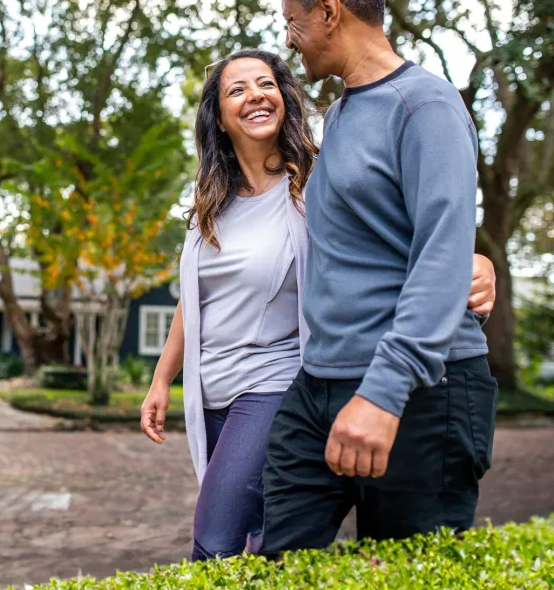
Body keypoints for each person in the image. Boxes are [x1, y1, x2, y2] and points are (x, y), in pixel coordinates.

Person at [139, 47, 497, 559]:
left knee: (215, 540)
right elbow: (194, 301)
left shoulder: (314, 186)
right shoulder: (210, 204)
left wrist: (476, 262)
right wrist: (161, 379)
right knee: (252, 539)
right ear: (217, 117)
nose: (254, 96)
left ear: (284, 98)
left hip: (271, 382)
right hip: (211, 387)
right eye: (236, 90)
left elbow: (392, 235)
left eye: (265, 84)